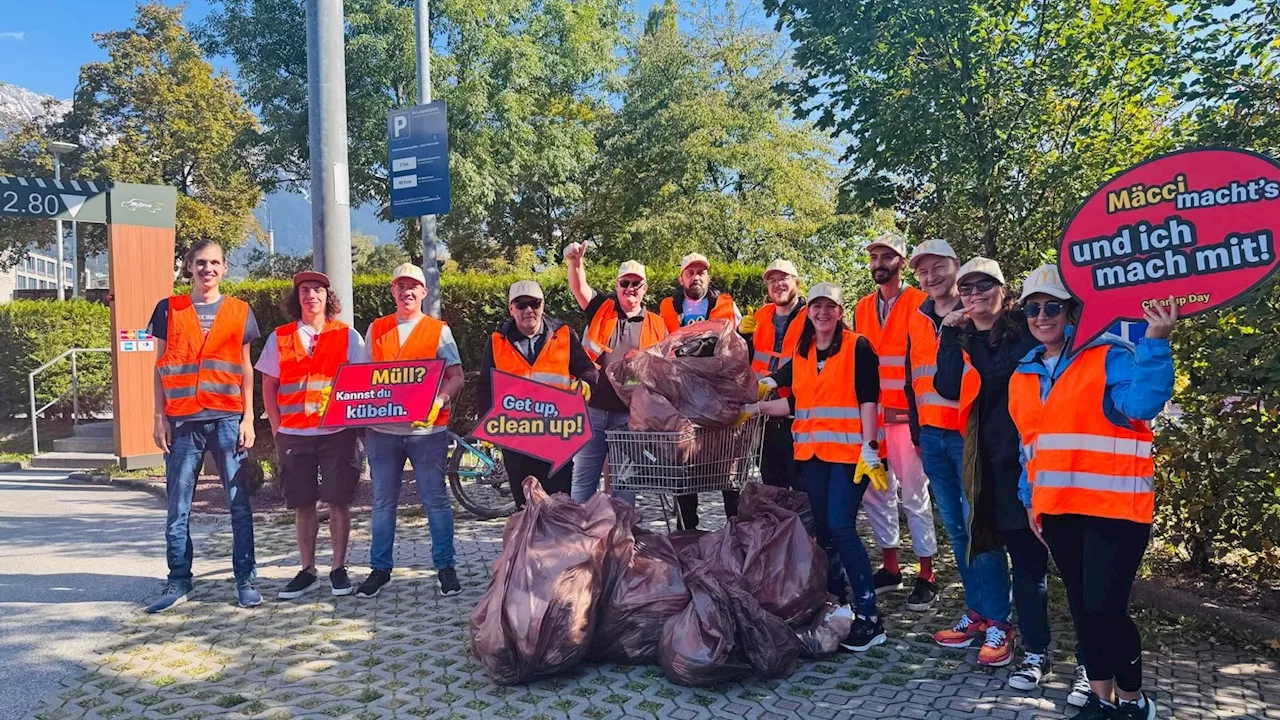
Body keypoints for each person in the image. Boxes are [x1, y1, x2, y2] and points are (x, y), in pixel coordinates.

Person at [1010, 264, 1175, 720]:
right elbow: (1031, 448)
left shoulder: (1111, 354)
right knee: (1083, 610)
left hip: (1115, 507)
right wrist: (1031, 500)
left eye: (1052, 307)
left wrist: (1156, 341)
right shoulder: (1023, 375)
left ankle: (1133, 701)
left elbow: (1142, 405)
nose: (1042, 316)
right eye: (1033, 308)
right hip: (1059, 509)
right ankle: (1101, 702)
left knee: (1107, 609)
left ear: (1072, 312)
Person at [743, 282, 888, 652]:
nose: (822, 313)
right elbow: (792, 402)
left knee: (841, 527)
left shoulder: (858, 347)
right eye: (817, 307)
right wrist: (753, 405)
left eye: (830, 307)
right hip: (812, 456)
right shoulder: (805, 350)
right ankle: (835, 602)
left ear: (840, 312)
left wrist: (870, 448)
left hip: (850, 456)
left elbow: (869, 399)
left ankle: (870, 617)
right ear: (810, 312)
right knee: (823, 530)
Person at [934, 257, 1052, 683]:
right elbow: (946, 387)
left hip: (1025, 463)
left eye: (985, 286)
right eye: (967, 288)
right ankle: (997, 625)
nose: (975, 294)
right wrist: (948, 332)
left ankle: (1037, 648)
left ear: (1003, 290)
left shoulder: (1025, 332)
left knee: (1027, 561)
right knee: (983, 546)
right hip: (981, 464)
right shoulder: (962, 336)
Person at [905, 241, 1016, 652]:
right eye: (923, 271)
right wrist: (918, 433)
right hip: (933, 438)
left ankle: (1000, 621)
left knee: (980, 529)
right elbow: (910, 377)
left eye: (939, 268)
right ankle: (977, 613)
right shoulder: (917, 317)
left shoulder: (978, 316)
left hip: (969, 438)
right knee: (956, 529)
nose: (931, 277)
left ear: (956, 268)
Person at [146, 239, 261, 613]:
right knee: (178, 507)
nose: (207, 269)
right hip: (183, 423)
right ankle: (179, 579)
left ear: (224, 267)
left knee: (238, 505)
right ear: (189, 267)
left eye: (214, 263)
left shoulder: (240, 311)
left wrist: (248, 418)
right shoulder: (169, 309)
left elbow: (245, 368)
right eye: (200, 263)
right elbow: (160, 365)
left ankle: (245, 578)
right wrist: (158, 415)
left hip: (228, 418)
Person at [357, 263, 465, 599]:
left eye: (413, 286)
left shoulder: (437, 330)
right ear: (393, 291)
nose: (406, 291)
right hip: (382, 431)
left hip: (427, 431)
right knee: (382, 502)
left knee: (435, 500)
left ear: (423, 292)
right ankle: (379, 569)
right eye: (400, 286)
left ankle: (445, 568)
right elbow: (362, 379)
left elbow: (456, 376)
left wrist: (440, 400)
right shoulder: (377, 329)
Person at [257, 271, 365, 600]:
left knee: (338, 500)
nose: (311, 295)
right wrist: (277, 429)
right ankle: (307, 570)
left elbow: (362, 383)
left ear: (327, 297)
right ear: (297, 297)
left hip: (337, 433)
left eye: (318, 290)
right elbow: (269, 386)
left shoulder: (348, 336)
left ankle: (338, 568)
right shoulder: (280, 337)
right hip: (293, 434)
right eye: (305, 290)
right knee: (302, 503)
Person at [852, 233, 938, 609]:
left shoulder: (921, 304)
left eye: (886, 257)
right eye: (873, 257)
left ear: (901, 262)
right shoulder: (861, 307)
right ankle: (891, 567)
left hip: (906, 416)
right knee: (875, 491)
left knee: (914, 494)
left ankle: (927, 573)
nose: (878, 263)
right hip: (871, 417)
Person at [476, 279, 599, 509]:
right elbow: (485, 386)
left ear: (543, 305)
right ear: (511, 309)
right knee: (525, 507)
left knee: (559, 505)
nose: (528, 310)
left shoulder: (563, 334)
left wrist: (584, 385)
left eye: (534, 303)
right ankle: (530, 545)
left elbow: (588, 369)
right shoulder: (496, 341)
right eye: (521, 305)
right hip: (516, 438)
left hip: (556, 437)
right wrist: (488, 423)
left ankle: (560, 546)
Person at [564, 242, 667, 504]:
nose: (630, 288)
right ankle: (580, 535)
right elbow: (579, 288)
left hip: (630, 414)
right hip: (594, 409)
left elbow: (665, 368)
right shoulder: (603, 309)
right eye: (625, 283)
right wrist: (575, 263)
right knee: (584, 479)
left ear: (644, 289)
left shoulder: (657, 323)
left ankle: (621, 537)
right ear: (616, 286)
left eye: (636, 284)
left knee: (625, 483)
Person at [659, 253, 744, 529]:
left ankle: (735, 528)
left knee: (726, 464)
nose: (696, 277)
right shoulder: (667, 309)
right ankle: (688, 530)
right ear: (681, 277)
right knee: (686, 463)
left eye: (701, 272)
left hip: (718, 394)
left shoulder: (727, 305)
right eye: (690, 272)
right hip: (682, 396)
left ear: (709, 277)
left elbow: (740, 347)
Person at [741, 259, 806, 491]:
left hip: (798, 415)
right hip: (765, 419)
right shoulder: (761, 316)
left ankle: (804, 529)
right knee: (772, 487)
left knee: (801, 488)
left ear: (796, 282)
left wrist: (775, 379)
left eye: (783, 278)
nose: (778, 284)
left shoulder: (812, 316)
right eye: (772, 280)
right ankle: (781, 528)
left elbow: (809, 362)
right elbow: (746, 360)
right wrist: (743, 337)